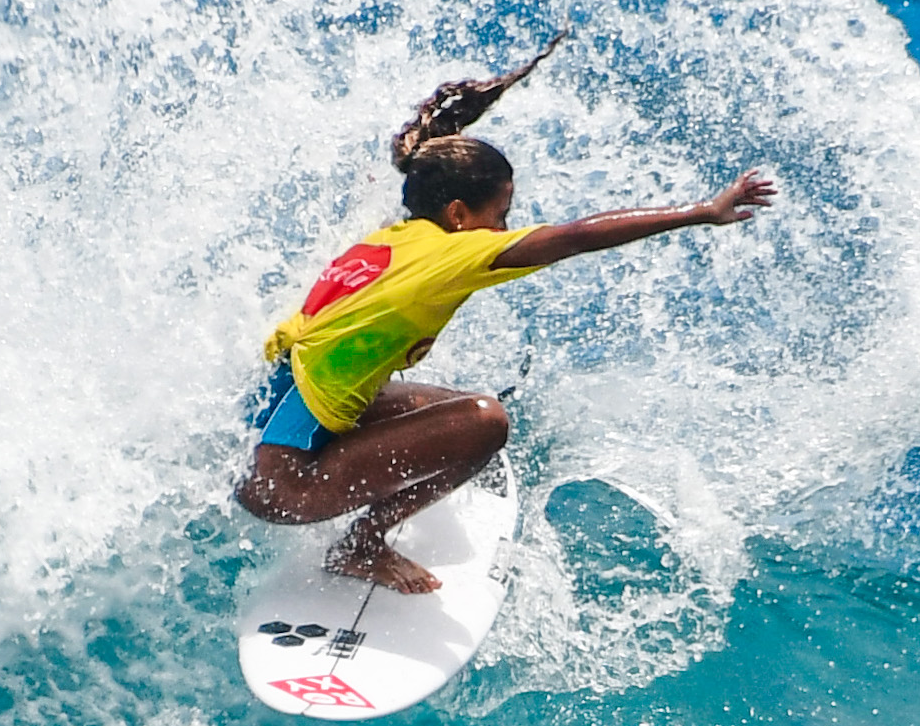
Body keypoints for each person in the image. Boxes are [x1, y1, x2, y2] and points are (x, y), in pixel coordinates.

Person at [238, 40, 776, 594]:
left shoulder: (392, 240)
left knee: (448, 409)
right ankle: (362, 544)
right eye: (501, 216)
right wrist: (700, 212)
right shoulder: (458, 251)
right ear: (459, 215)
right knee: (485, 422)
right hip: (284, 483)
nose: (504, 230)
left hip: (264, 431)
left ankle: (398, 475)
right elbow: (575, 236)